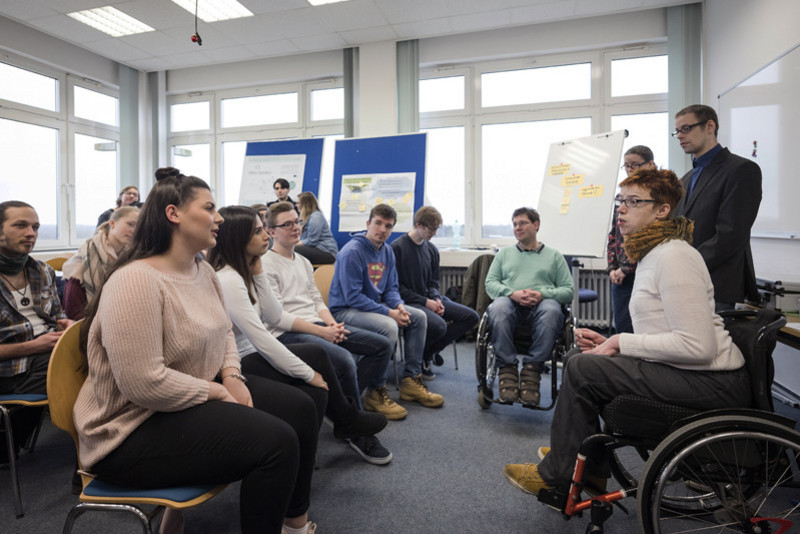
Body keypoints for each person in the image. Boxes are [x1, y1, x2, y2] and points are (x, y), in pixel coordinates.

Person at [73, 168, 319, 534]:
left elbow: (223, 334)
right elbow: (143, 384)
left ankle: (293, 523)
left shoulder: (202, 270)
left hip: (181, 402)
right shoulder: (135, 281)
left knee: (300, 408)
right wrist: (218, 391)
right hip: (127, 431)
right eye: (209, 208)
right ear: (173, 214)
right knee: (276, 443)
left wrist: (232, 375)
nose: (219, 217)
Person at [503, 168, 750, 498]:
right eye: (621, 200)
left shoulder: (675, 256)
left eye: (633, 201)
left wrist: (622, 341)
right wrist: (612, 344)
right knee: (581, 356)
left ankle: (561, 477)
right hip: (688, 372)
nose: (621, 208)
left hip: (712, 381)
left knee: (581, 366)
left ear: (662, 210)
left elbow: (698, 347)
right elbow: (665, 332)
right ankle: (585, 465)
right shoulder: (653, 253)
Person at [208, 204, 390, 465]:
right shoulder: (228, 278)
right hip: (239, 360)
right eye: (259, 231)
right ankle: (347, 421)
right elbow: (263, 335)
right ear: (239, 239)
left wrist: (257, 272)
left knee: (318, 362)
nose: (266, 237)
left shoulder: (251, 270)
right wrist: (308, 374)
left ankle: (344, 422)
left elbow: (272, 313)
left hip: (258, 348)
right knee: (322, 370)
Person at [260, 201, 394, 462]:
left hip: (318, 325)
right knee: (344, 360)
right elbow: (279, 318)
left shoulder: (302, 260)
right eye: (287, 224)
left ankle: (340, 407)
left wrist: (331, 324)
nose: (295, 227)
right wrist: (322, 333)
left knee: (381, 345)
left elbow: (316, 300)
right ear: (271, 232)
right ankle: (353, 428)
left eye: (297, 222)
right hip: (286, 333)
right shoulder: (265, 264)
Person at [328, 203, 444, 416]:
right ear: (368, 224)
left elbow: (391, 288)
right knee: (389, 326)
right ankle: (375, 390)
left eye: (388, 226)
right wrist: (390, 313)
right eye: (378, 223)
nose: (382, 229)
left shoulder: (388, 252)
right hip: (345, 310)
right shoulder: (352, 252)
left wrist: (399, 305)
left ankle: (410, 379)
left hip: (374, 307)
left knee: (417, 316)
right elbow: (353, 297)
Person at [0, 201, 73, 460]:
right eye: (21, 225)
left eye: (35, 227)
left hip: (46, 356)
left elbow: (57, 316)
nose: (31, 232)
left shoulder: (41, 270)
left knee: (101, 346)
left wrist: (68, 325)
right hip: (12, 369)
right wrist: (33, 346)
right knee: (90, 368)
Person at [673, 104, 762, 312]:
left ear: (709, 126)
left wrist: (686, 264)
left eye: (686, 129)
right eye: (677, 131)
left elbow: (730, 234)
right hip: (683, 282)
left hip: (716, 284)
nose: (679, 136)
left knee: (710, 345)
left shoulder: (741, 170)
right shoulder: (685, 180)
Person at [485, 207, 573, 406]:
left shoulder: (554, 256)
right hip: (511, 304)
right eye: (515, 224)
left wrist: (543, 293)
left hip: (541, 306)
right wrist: (512, 293)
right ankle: (507, 369)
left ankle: (532, 369)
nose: (518, 227)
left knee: (552, 309)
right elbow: (490, 285)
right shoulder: (504, 254)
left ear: (536, 225)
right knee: (498, 307)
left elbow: (568, 291)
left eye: (523, 223)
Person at [391, 206, 479, 379]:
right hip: (409, 302)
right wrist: (426, 303)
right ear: (418, 225)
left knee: (471, 317)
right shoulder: (397, 249)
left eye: (436, 230)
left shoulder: (431, 249)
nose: (434, 234)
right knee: (438, 325)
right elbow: (396, 289)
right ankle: (426, 354)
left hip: (429, 299)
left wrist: (436, 299)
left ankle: (428, 351)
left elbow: (434, 282)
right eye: (431, 230)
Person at [607, 145, 656, 333]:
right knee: (623, 327)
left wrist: (627, 269)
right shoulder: (623, 194)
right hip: (620, 274)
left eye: (635, 165)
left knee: (643, 328)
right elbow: (614, 234)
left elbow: (651, 235)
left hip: (643, 271)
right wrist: (612, 267)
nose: (630, 169)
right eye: (626, 165)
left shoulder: (656, 194)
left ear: (650, 165)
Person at [62, 206, 139, 320]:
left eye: (139, 227)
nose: (134, 231)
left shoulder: (133, 257)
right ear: (112, 223)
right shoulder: (82, 262)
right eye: (130, 224)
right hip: (87, 324)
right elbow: (73, 313)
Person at [295, 192, 338, 265]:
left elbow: (312, 241)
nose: (296, 205)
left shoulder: (316, 217)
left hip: (326, 252)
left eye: (298, 203)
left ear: (305, 204)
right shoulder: (304, 217)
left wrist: (295, 244)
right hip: (316, 249)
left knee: (293, 249)